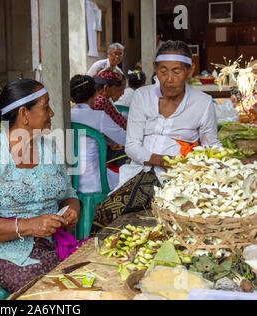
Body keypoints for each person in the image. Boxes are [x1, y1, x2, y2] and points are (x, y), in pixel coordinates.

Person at [0, 79, 82, 293]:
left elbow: (69, 194)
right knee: (51, 292)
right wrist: (29, 225)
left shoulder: (50, 148)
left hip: (51, 244)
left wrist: (72, 208)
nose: (52, 113)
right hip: (4, 254)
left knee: (91, 275)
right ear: (24, 114)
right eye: (45, 107)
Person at [93, 40, 221, 230]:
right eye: (163, 71)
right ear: (155, 69)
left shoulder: (203, 103)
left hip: (180, 178)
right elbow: (132, 146)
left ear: (189, 70)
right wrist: (159, 160)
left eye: (176, 71)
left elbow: (212, 146)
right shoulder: (142, 96)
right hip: (139, 172)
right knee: (106, 215)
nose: (169, 79)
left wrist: (227, 163)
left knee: (185, 223)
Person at [70, 74, 127, 192]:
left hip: (70, 182)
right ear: (95, 93)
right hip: (95, 182)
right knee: (128, 175)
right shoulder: (99, 117)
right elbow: (125, 139)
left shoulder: (66, 116)